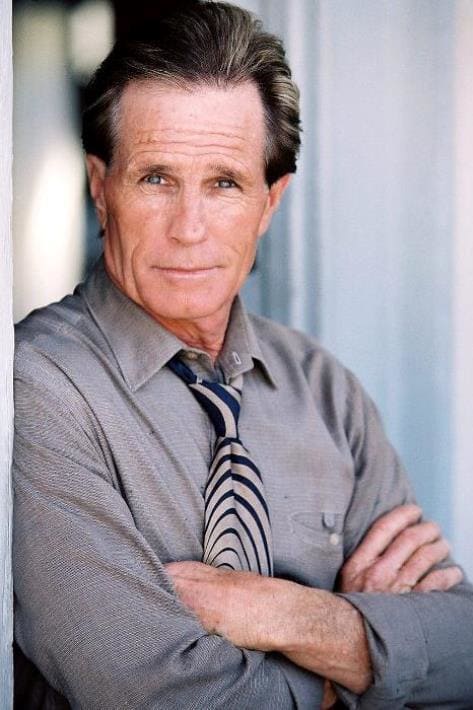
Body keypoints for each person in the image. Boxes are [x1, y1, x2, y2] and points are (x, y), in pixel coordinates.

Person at [13, 2, 472, 708]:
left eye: (224, 183)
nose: (189, 228)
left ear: (270, 201)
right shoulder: (33, 388)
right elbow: (158, 697)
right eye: (156, 178)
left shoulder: (325, 390)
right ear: (101, 189)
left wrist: (291, 615)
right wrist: (358, 662)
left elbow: (463, 650)